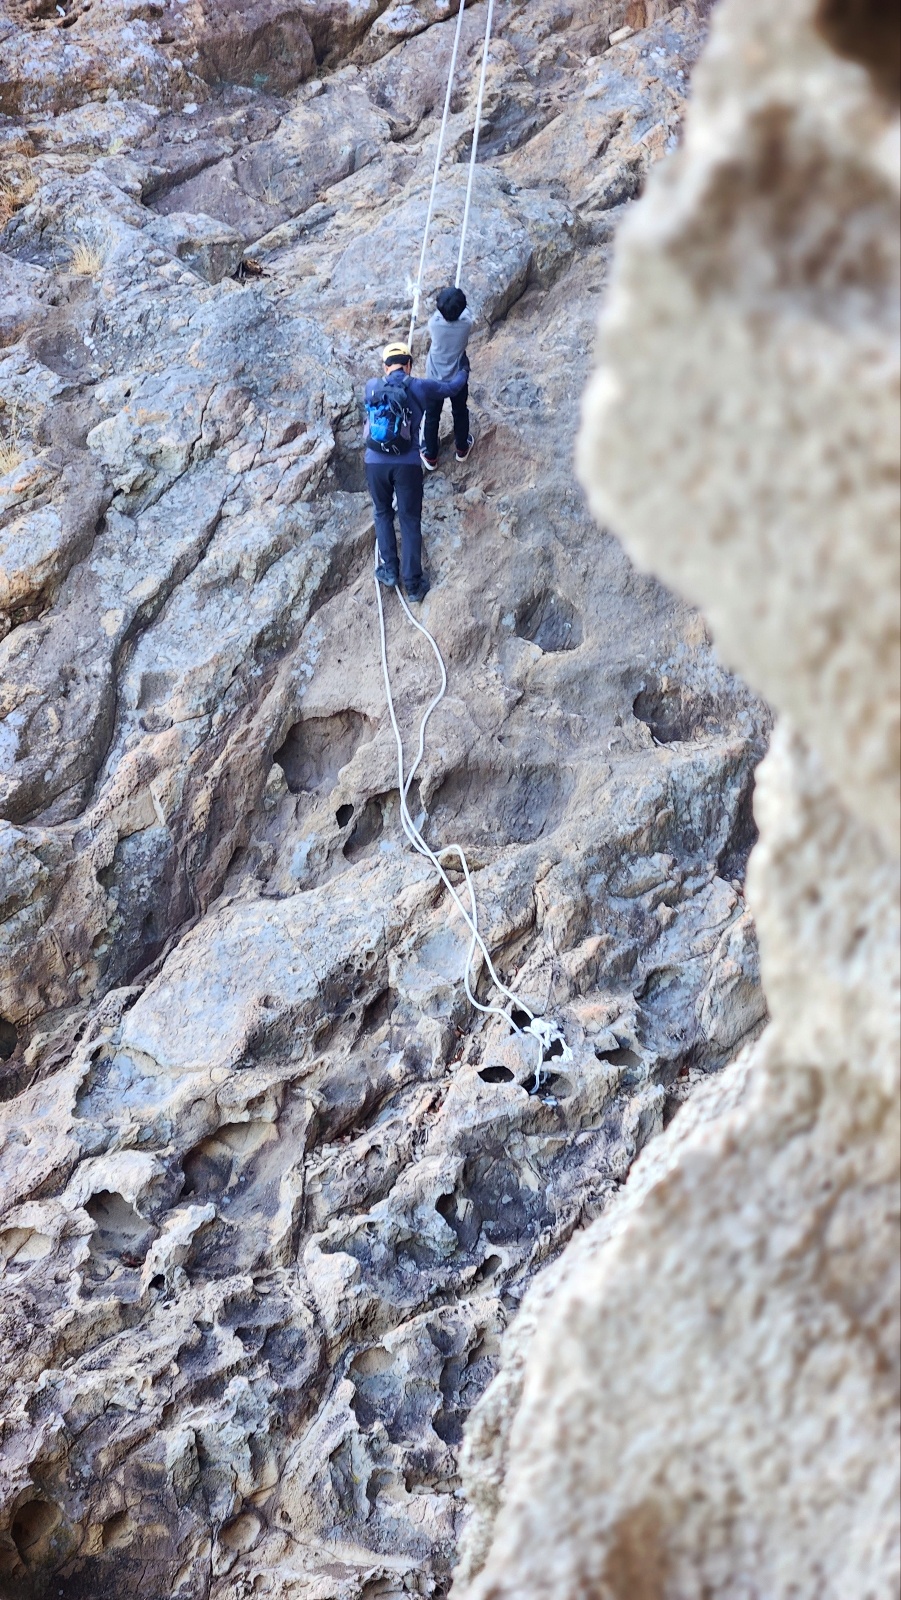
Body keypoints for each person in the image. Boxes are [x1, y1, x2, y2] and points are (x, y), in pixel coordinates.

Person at [364, 341, 468, 601]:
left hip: (375, 463)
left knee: (382, 512)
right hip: (407, 465)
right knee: (409, 520)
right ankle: (413, 584)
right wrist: (464, 369)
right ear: (408, 365)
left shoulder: (371, 386)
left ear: (385, 367)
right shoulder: (420, 386)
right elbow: (452, 388)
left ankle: (389, 570)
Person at [420, 285, 474, 471]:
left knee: (432, 416)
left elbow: (439, 312)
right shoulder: (466, 324)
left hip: (434, 377)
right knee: (460, 411)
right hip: (457, 377)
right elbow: (465, 311)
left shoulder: (434, 324)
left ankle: (431, 456)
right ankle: (462, 448)